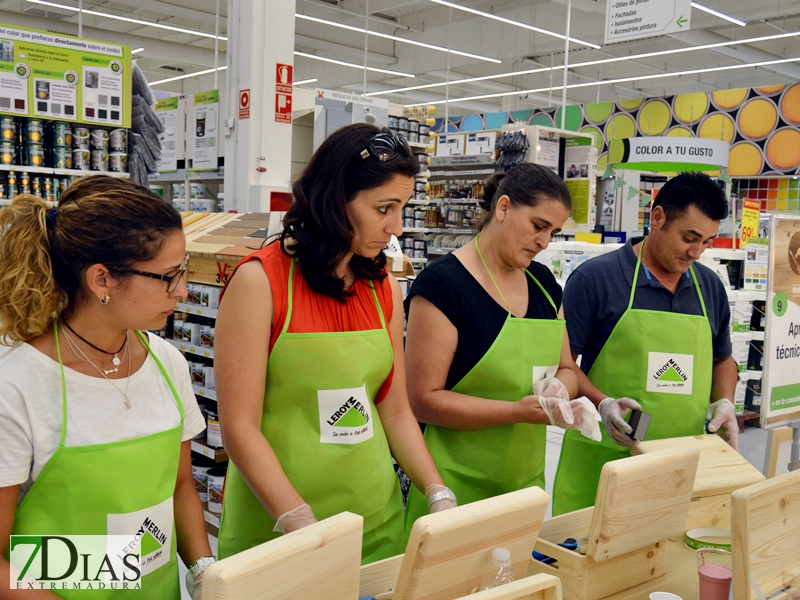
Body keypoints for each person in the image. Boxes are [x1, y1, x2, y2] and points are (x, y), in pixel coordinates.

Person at [215, 124, 456, 565]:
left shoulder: (383, 288)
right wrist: (296, 518)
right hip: (279, 533)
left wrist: (436, 491)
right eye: (384, 208)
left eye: (402, 207)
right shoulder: (260, 283)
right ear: (333, 200)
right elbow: (239, 428)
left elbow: (395, 407)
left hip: (374, 523)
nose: (396, 226)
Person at [0, 176, 213, 599]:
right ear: (101, 280)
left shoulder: (167, 362)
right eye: (169, 276)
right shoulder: (18, 385)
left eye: (183, 271)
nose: (183, 291)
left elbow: (180, 487)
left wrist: (205, 571)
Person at [403, 163, 600, 528]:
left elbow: (567, 368)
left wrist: (559, 387)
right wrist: (516, 412)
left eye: (553, 232)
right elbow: (423, 400)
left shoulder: (542, 283)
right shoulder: (443, 286)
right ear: (504, 208)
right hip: (453, 491)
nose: (544, 242)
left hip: (524, 488)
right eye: (538, 226)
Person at [552, 172, 739, 515]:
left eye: (707, 242)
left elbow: (722, 359)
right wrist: (603, 403)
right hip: (604, 463)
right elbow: (561, 365)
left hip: (678, 467)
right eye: (689, 237)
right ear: (658, 218)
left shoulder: (709, 287)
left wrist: (724, 401)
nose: (696, 252)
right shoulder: (595, 280)